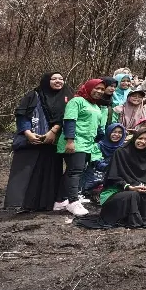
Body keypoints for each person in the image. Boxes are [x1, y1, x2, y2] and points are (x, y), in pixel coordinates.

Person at [5, 72, 71, 212]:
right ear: (47, 81)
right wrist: (27, 133)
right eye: (54, 79)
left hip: (53, 142)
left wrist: (53, 132)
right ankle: (23, 203)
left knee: (50, 172)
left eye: (61, 79)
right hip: (32, 141)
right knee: (28, 171)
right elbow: (22, 114)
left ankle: (46, 204)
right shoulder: (33, 95)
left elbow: (66, 117)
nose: (58, 81)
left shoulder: (67, 97)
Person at [56, 79, 108, 217]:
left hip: (87, 144)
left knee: (72, 171)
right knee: (75, 171)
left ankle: (60, 200)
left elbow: (96, 127)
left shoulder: (96, 106)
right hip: (75, 142)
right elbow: (69, 121)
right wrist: (70, 140)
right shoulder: (76, 101)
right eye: (97, 88)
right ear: (88, 87)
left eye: (102, 89)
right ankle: (73, 202)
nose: (99, 91)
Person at [95, 128, 146, 229]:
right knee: (133, 194)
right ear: (134, 138)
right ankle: (132, 221)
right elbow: (113, 177)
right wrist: (130, 187)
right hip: (115, 191)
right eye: (140, 138)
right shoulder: (121, 152)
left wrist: (144, 187)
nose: (143, 141)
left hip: (137, 188)